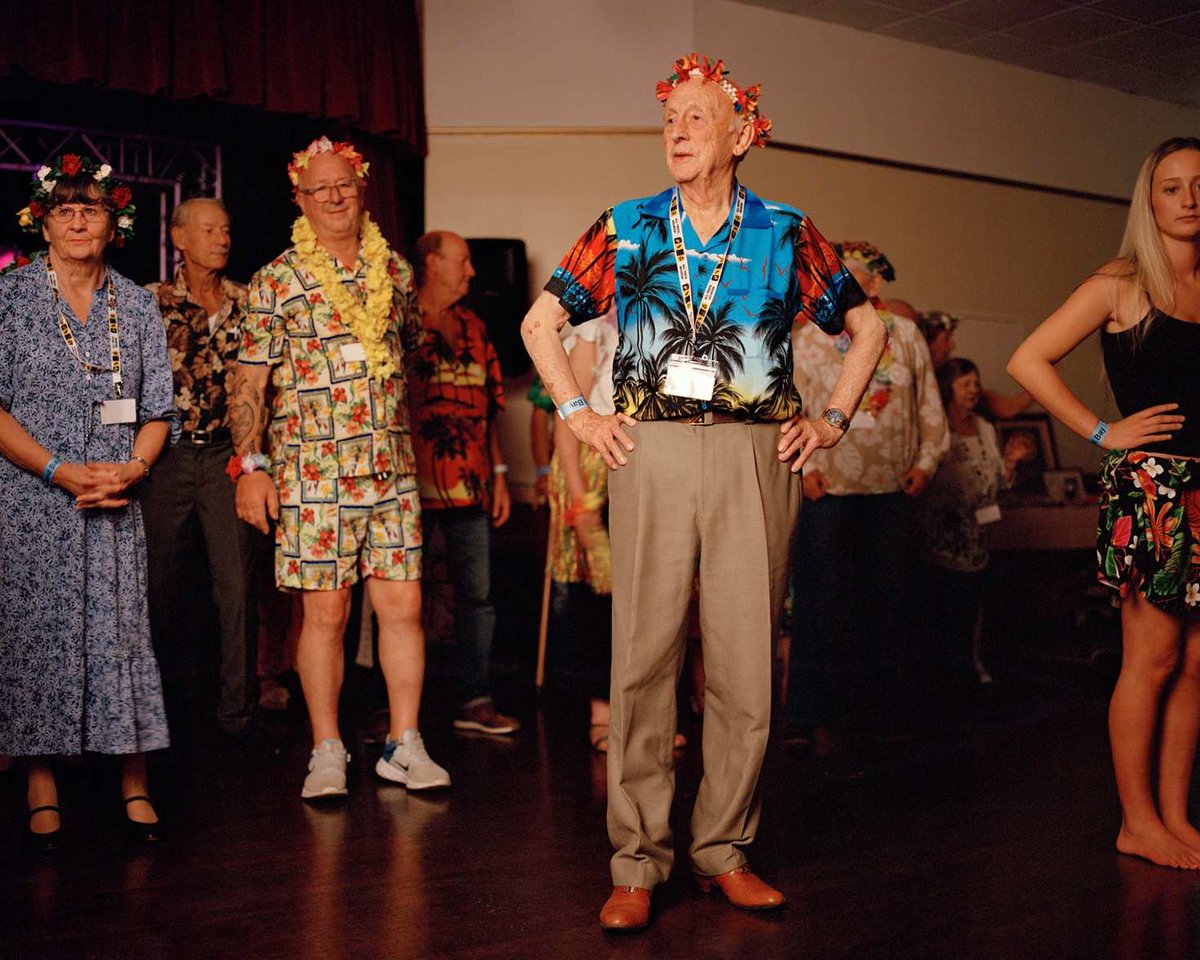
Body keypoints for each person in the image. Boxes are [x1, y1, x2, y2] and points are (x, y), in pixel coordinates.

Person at [521, 54, 887, 930]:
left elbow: (866, 330)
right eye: (670, 118)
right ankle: (637, 861)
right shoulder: (627, 226)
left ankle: (724, 847)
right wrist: (579, 413)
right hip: (649, 453)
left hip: (757, 456)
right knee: (642, 657)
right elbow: (542, 323)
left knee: (745, 662)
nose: (677, 131)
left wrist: (831, 421)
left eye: (696, 117)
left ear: (741, 133)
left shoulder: (788, 230)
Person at [231, 137, 449, 800]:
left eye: (344, 185)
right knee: (326, 613)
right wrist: (252, 465)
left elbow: (409, 358)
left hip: (389, 471)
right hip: (312, 474)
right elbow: (247, 383)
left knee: (404, 605)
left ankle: (403, 743)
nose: (333, 196)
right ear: (300, 199)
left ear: (361, 191)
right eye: (319, 188)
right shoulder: (276, 279)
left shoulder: (397, 274)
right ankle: (326, 748)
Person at [1008, 136, 1200, 870]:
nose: (1188, 199)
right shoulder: (1122, 281)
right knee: (1150, 660)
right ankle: (1137, 821)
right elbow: (1027, 358)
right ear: (1149, 202)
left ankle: (1176, 818)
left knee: (1195, 664)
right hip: (1152, 487)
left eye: (1199, 186)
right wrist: (1102, 431)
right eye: (1172, 187)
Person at [0, 154, 177, 847]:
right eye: (64, 209)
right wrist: (58, 471)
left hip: (112, 498)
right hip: (32, 498)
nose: (78, 220)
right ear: (43, 223)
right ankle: (39, 780)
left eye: (92, 209)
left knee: (119, 634)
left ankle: (133, 778)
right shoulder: (9, 299)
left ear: (114, 224)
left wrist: (131, 468)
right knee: (34, 634)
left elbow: (158, 410)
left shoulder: (135, 305)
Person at [789, 242, 948, 749]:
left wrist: (926, 462)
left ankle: (879, 713)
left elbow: (928, 403)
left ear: (876, 284)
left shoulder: (904, 336)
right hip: (828, 488)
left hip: (891, 490)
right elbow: (787, 406)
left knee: (888, 599)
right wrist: (804, 466)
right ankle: (816, 716)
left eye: (856, 276)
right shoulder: (806, 336)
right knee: (823, 601)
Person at [143, 198, 256, 738]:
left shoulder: (248, 302)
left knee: (236, 586)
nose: (222, 238)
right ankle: (156, 712)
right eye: (209, 229)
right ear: (179, 238)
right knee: (158, 583)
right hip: (166, 458)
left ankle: (237, 713)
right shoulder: (150, 302)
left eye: (227, 228)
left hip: (226, 459)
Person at [408, 230, 519, 736]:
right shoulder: (400, 320)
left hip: (471, 484)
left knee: (478, 596)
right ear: (431, 264)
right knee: (405, 597)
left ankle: (474, 699)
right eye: (463, 261)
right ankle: (393, 708)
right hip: (409, 486)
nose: (472, 272)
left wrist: (499, 475)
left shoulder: (475, 326)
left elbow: (490, 412)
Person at [918, 358, 1023, 692]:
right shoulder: (933, 428)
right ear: (948, 387)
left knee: (971, 610)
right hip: (939, 541)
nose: (974, 390)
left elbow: (999, 482)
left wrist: (1011, 462)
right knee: (938, 612)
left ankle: (970, 668)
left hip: (978, 541)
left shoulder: (985, 428)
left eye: (976, 383)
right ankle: (938, 677)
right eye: (966, 384)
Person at [917, 309, 1032, 420]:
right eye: (946, 339)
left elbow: (1008, 408)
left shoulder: (952, 373)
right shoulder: (912, 381)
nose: (952, 346)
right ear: (927, 343)